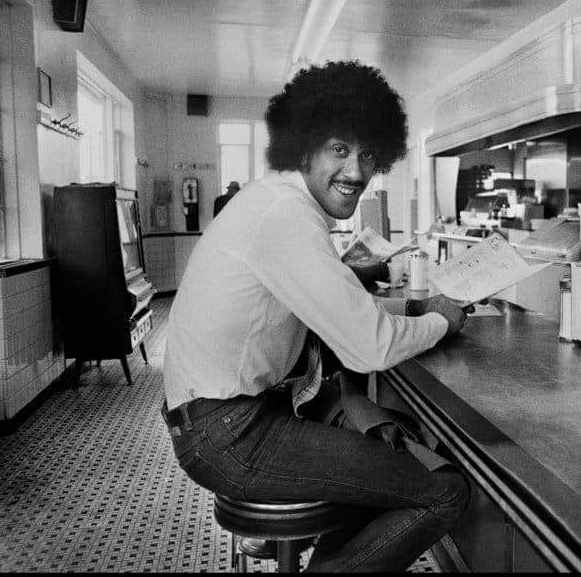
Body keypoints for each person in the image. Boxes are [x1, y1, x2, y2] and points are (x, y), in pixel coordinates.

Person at [161, 60, 471, 572]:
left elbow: (343, 302)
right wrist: (442, 321)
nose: (355, 171)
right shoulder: (284, 215)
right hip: (228, 434)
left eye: (367, 154)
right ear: (304, 147)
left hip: (223, 418)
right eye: (339, 150)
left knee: (367, 483)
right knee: (443, 492)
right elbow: (369, 346)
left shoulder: (280, 203)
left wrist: (418, 306)